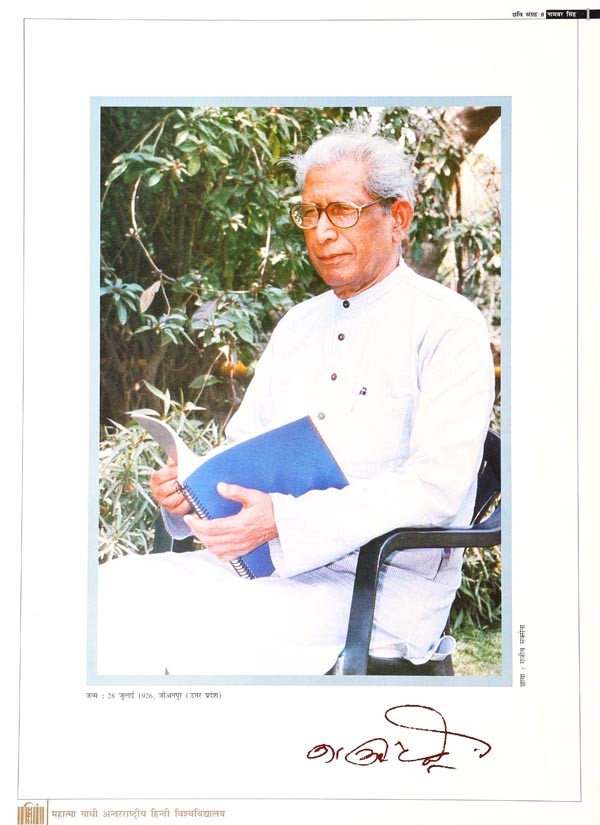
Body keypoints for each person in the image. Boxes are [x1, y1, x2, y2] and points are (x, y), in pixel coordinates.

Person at [97, 127, 495, 676]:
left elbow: (435, 489)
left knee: (182, 631)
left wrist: (284, 521)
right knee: (106, 591)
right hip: (268, 572)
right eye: (310, 214)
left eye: (342, 211)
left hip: (378, 588)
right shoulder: (298, 324)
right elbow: (242, 448)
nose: (322, 233)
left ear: (398, 218)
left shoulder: (449, 325)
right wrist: (191, 492)